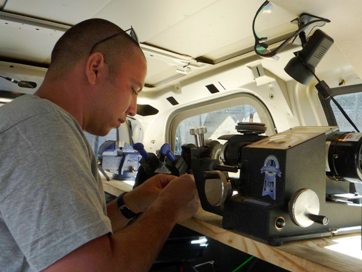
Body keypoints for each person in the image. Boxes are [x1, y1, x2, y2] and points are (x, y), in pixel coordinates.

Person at [0, 18, 199, 272]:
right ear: (95, 68)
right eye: (133, 88)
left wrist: (131, 203)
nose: (133, 108)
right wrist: (169, 207)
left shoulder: (38, 123)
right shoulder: (41, 131)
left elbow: (74, 241)